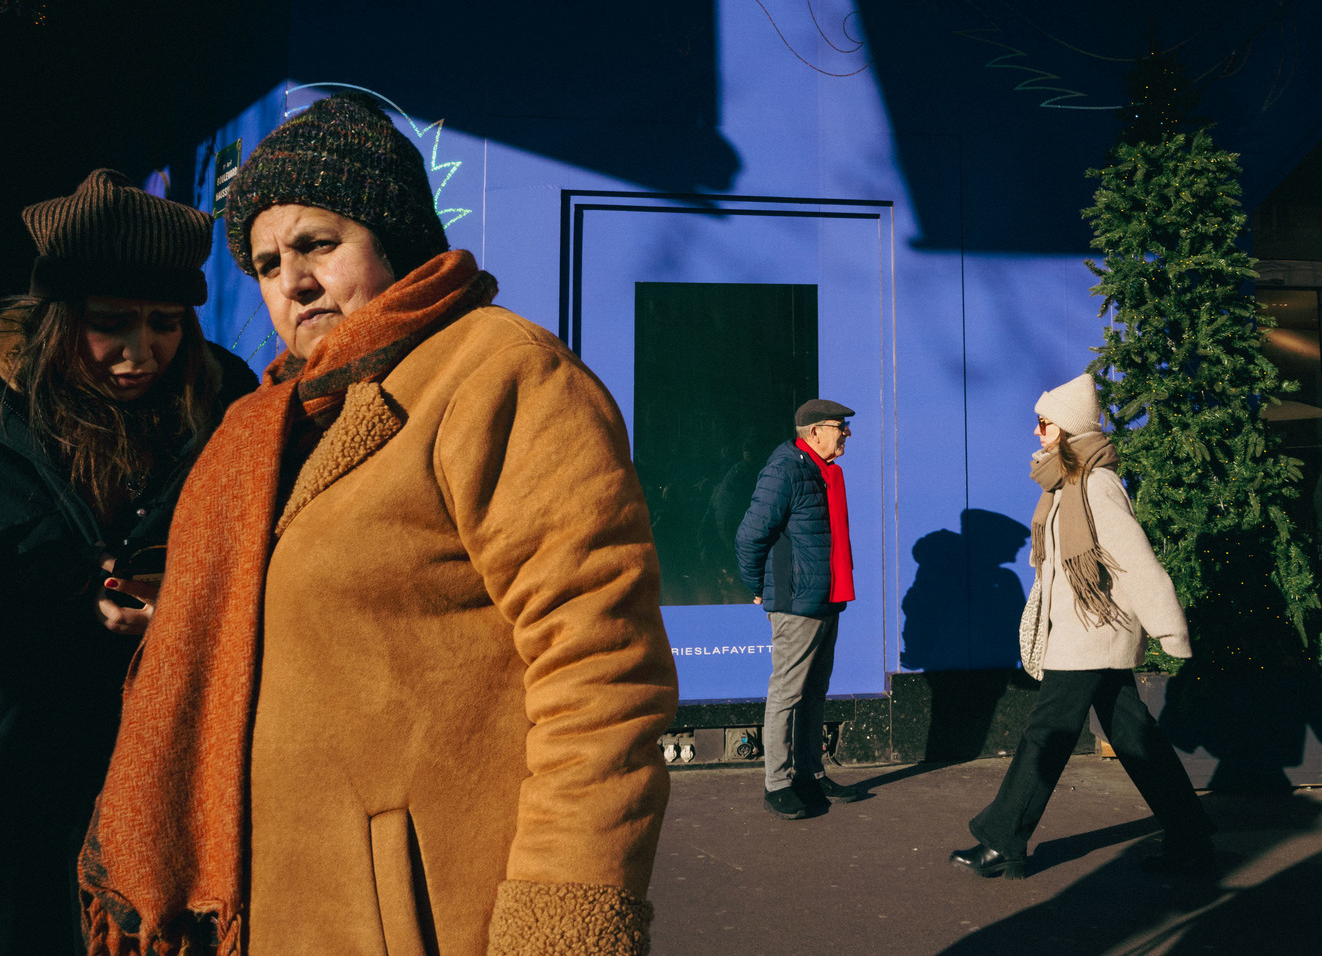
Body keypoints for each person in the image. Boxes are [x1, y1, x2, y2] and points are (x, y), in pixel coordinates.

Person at [79, 94, 678, 956]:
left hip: (432, 918)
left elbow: (602, 675)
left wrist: (561, 924)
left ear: (392, 234)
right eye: (266, 261)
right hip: (283, 908)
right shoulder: (276, 418)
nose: (293, 279)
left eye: (319, 242)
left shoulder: (499, 375)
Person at [0, 169, 256, 955]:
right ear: (59, 319)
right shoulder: (8, 413)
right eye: (111, 323)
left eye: (167, 322)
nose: (139, 353)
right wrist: (80, 588)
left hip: (171, 747)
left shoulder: (228, 403)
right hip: (27, 749)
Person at [950, 374, 1214, 879]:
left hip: (1093, 631)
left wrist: (1168, 628)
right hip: (1080, 629)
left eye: (1044, 423)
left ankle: (1005, 840)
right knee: (1136, 735)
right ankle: (1192, 835)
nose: (1036, 432)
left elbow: (1135, 560)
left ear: (1068, 429)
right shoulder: (1064, 483)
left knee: (1046, 731)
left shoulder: (1096, 482)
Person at [735, 398, 863, 820]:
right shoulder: (786, 469)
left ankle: (809, 772)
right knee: (788, 692)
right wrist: (758, 586)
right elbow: (750, 534)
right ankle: (777, 782)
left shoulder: (823, 472)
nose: (845, 434)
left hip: (826, 596)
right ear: (814, 432)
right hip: (796, 601)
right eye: (839, 427)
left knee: (814, 691)